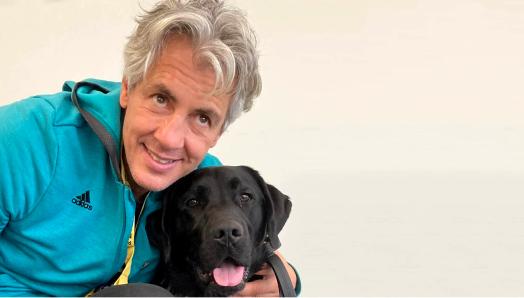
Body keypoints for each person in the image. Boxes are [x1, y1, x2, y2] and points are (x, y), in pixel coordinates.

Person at [0, 0, 298, 296]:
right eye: (160, 99)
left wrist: (288, 279)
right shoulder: (27, 139)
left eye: (202, 118)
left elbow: (255, 241)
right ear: (128, 87)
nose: (169, 139)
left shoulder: (196, 180)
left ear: (218, 132)